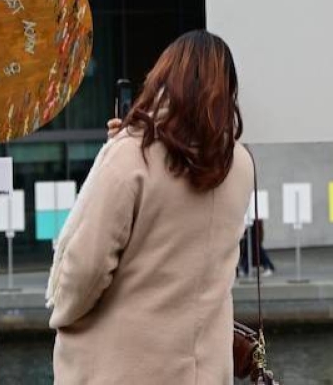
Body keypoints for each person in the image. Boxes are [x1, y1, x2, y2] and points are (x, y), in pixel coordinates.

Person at [47, 30, 251, 384]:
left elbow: (88, 266)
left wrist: (63, 314)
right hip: (203, 369)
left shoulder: (132, 154)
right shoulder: (240, 164)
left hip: (123, 368)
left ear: (163, 80)